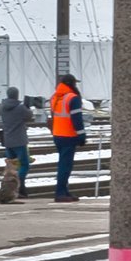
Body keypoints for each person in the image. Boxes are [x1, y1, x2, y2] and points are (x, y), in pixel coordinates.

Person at [50, 72, 86, 203]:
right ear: (71, 84)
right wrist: (81, 135)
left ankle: (64, 191)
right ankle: (60, 192)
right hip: (68, 135)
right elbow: (77, 118)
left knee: (63, 164)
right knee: (65, 165)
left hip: (57, 134)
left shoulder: (55, 97)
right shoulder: (72, 98)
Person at [0, 85, 33, 203]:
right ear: (17, 95)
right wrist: (27, 106)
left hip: (8, 141)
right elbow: (29, 116)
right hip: (20, 141)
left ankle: (10, 189)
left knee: (11, 167)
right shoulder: (20, 108)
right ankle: (20, 187)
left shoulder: (2, 107)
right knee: (24, 165)